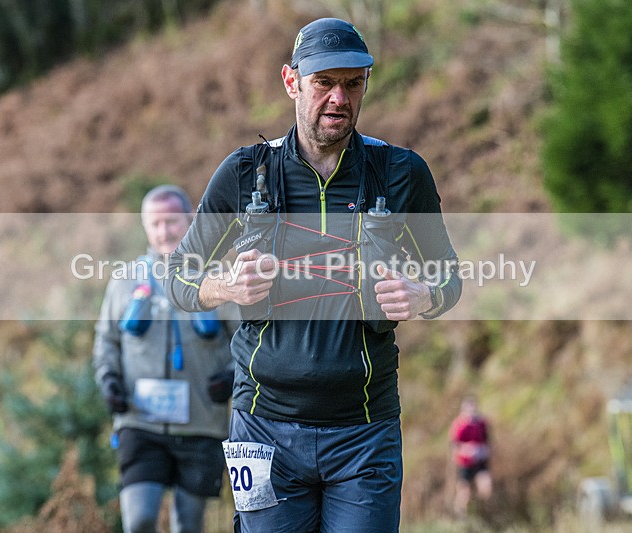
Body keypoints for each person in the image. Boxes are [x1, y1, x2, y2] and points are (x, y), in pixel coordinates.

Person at [163, 17, 462, 532]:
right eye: (324, 82)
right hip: (263, 430)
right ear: (291, 82)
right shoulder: (243, 173)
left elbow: (449, 278)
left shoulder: (400, 173)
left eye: (353, 83)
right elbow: (179, 276)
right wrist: (226, 286)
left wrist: (424, 295)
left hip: (365, 434)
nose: (339, 99)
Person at [93, 185, 235, 533]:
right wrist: (108, 380)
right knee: (139, 520)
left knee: (188, 524)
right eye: (155, 224)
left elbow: (247, 341)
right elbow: (106, 341)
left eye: (172, 221)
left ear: (190, 220)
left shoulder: (217, 278)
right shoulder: (125, 281)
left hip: (202, 423)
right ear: (145, 227)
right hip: (140, 424)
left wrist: (232, 377)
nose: (164, 231)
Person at [449, 395, 492, 518]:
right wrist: (466, 450)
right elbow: (454, 448)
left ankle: (481, 514)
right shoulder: (459, 425)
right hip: (465, 463)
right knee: (464, 492)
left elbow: (488, 443)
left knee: (486, 487)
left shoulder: (481, 423)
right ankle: (461, 517)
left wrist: (482, 451)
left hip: (480, 461)